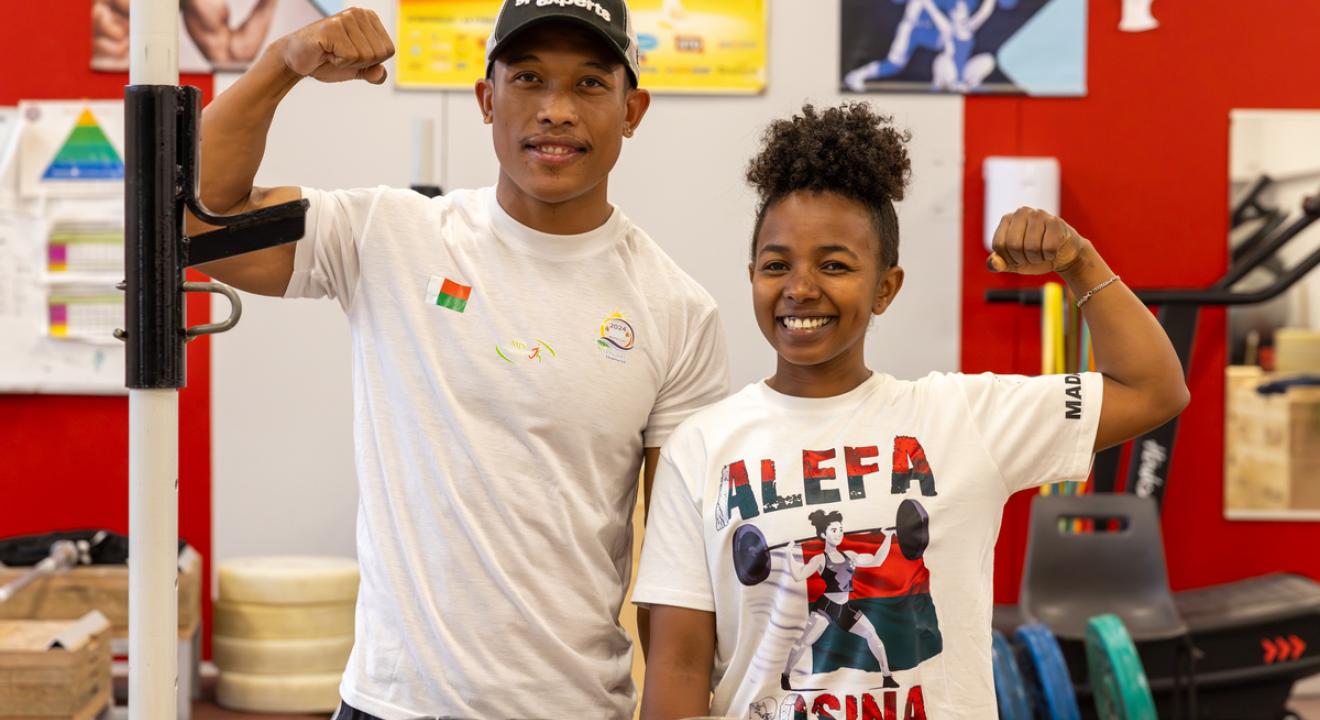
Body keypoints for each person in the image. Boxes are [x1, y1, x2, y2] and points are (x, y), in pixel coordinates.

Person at [189, 1, 730, 717]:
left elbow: (678, 578)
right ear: (486, 99)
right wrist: (281, 63)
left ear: (634, 110)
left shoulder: (677, 311)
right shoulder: (389, 234)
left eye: (590, 85)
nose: (556, 110)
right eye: (529, 79)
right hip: (392, 704)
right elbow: (197, 222)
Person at [633, 103, 1188, 719]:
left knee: (872, 640)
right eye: (776, 264)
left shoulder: (963, 417)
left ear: (885, 288)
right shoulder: (702, 445)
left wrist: (1079, 263)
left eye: (835, 265)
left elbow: (1154, 389)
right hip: (807, 639)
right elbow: (678, 664)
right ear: (753, 276)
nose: (800, 287)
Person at [782, 510, 899, 691]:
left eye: (840, 530)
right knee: (805, 642)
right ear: (823, 534)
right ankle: (785, 676)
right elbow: (798, 575)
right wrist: (789, 553)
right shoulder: (820, 559)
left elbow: (876, 561)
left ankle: (887, 677)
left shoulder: (850, 555)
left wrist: (888, 537)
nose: (839, 534)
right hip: (825, 608)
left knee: (872, 634)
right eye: (834, 530)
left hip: (845, 608)